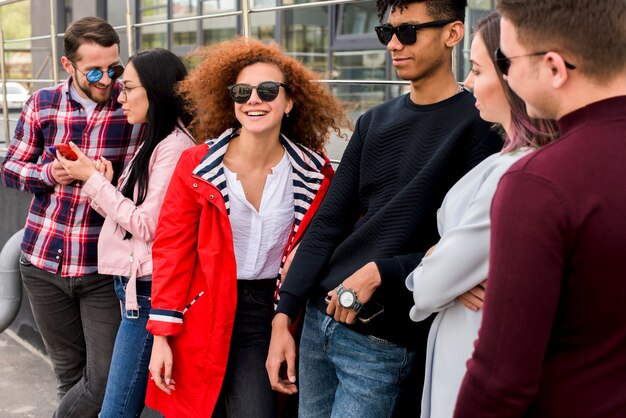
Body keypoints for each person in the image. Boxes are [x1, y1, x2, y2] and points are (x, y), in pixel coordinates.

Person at [265, 1, 503, 416]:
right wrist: (284, 316)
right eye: (386, 33)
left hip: (384, 340)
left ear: (452, 34)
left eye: (408, 31)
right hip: (320, 321)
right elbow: (328, 224)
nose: (394, 44)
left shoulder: (480, 126)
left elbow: (464, 245)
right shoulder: (374, 121)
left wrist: (384, 272)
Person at [144, 37, 349, 418]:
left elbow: (332, 238)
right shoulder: (196, 165)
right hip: (200, 310)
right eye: (242, 91)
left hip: (268, 314)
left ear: (289, 102)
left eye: (268, 90)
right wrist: (161, 337)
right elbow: (172, 250)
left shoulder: (314, 174)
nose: (254, 99)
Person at [453, 0, 626, 417]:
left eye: (506, 60)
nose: (506, 74)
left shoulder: (538, 183)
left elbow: (499, 383)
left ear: (554, 67)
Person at [404, 12, 557, 418]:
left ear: (514, 78)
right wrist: (444, 264)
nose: (467, 82)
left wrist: (437, 267)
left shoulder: (514, 173)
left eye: (475, 69)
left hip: (474, 350)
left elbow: (428, 288)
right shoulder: (508, 161)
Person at [0, 17, 142, 417]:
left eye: (114, 69)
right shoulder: (43, 103)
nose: (106, 79)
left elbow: (147, 184)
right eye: (94, 71)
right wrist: (50, 173)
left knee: (102, 382)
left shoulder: (130, 105)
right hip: (42, 263)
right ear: (68, 66)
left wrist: (115, 182)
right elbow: (10, 168)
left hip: (102, 269)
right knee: (68, 376)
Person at [56, 48, 195, 418]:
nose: (119, 96)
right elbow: (136, 212)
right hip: (136, 289)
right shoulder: (157, 140)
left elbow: (147, 226)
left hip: (149, 294)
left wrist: (92, 181)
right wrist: (104, 182)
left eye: (128, 87)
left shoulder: (176, 148)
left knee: (115, 410)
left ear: (156, 90)